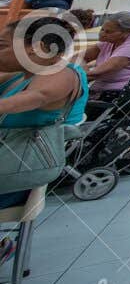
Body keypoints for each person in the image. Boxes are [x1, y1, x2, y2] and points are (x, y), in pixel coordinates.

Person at [0, 13, 89, 210]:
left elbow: (36, 97)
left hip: (13, 175)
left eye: (2, 46)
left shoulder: (60, 73)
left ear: (37, 48)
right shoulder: (19, 75)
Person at [82, 11, 130, 98]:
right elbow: (79, 57)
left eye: (108, 32)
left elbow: (97, 73)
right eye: (102, 29)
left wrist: (76, 74)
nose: (102, 34)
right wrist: (82, 71)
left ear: (127, 32)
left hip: (117, 95)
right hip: (100, 88)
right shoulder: (113, 39)